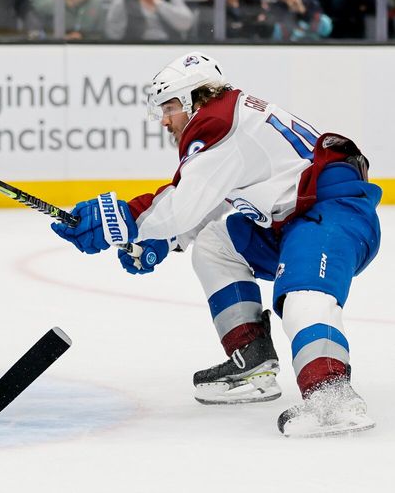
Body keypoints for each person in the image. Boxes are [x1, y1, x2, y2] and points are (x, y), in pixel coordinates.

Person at [51, 52, 381, 437]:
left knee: (303, 297)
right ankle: (252, 357)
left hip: (330, 212)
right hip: (291, 218)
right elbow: (214, 197)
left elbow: (184, 201)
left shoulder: (216, 121)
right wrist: (165, 236)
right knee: (214, 244)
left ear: (194, 97)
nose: (164, 119)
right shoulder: (231, 116)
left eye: (169, 106)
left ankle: (332, 396)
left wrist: (119, 218)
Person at [104, 0, 195, 42]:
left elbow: (186, 23)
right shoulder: (123, 1)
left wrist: (158, 3)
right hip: (136, 51)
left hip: (171, 49)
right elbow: (113, 33)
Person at [33, 0, 107, 40]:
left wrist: (84, 38)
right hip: (51, 49)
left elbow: (100, 35)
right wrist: (57, 38)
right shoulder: (47, 1)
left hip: (86, 50)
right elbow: (34, 33)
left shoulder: (95, 3)